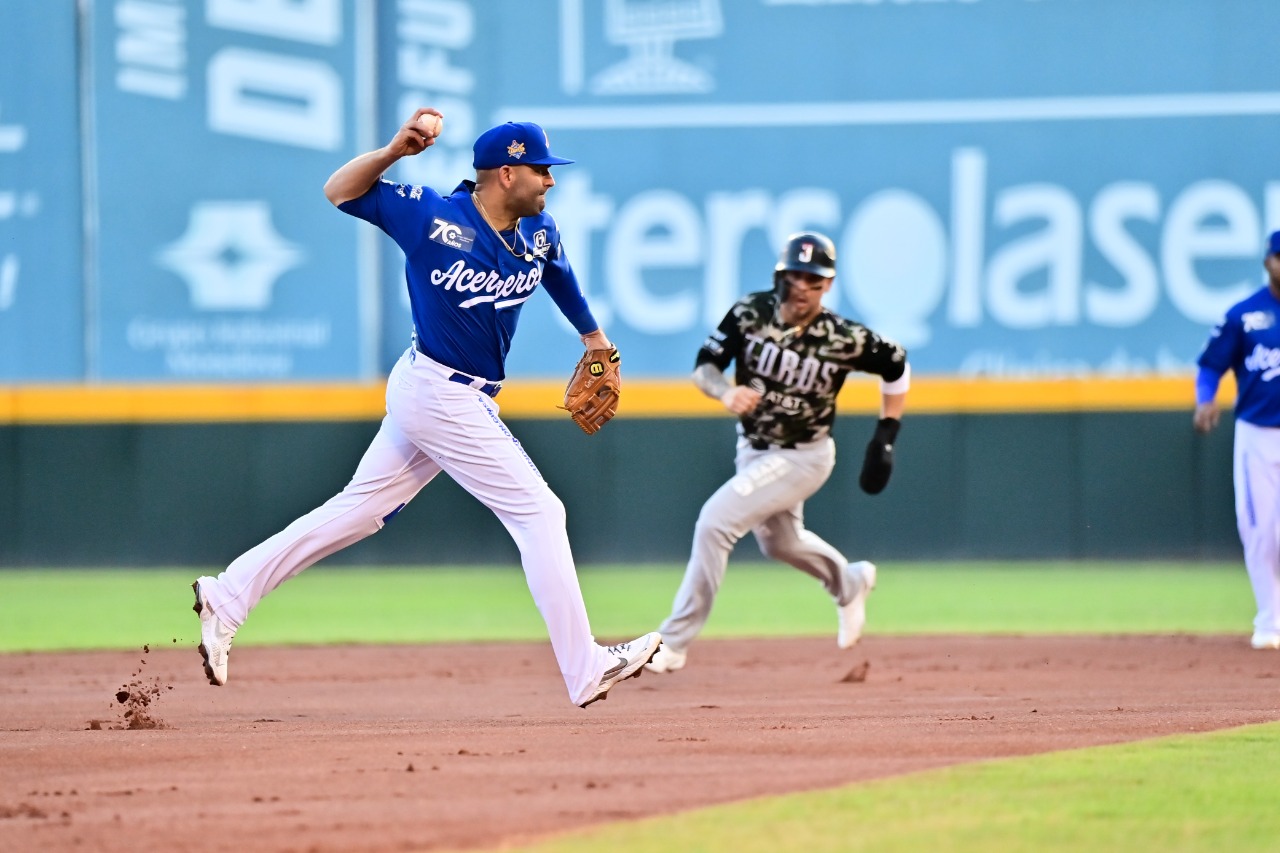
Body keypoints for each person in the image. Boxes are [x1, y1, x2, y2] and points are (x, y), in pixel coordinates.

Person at [191, 110, 661, 707]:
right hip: (439, 390)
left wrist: (594, 340)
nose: (551, 180)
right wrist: (392, 151)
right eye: (541, 169)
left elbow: (560, 277)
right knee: (540, 512)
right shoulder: (432, 216)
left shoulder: (539, 234)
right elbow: (340, 191)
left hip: (449, 395)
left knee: (356, 513)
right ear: (507, 172)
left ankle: (227, 596)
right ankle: (585, 667)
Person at [644, 231, 909, 674]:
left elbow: (896, 363)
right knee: (781, 543)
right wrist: (724, 393)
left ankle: (673, 642)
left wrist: (886, 432)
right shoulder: (751, 313)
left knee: (715, 522)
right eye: (796, 276)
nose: (803, 286)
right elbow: (704, 367)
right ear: (779, 276)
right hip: (753, 449)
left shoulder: (842, 337)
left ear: (828, 285)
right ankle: (850, 581)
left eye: (814, 278)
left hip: (804, 455)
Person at [1193, 228, 1280, 651]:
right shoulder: (1244, 316)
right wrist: (1205, 400)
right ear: (1269, 262)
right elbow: (1211, 365)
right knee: (1260, 529)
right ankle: (1269, 622)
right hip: (1257, 434)